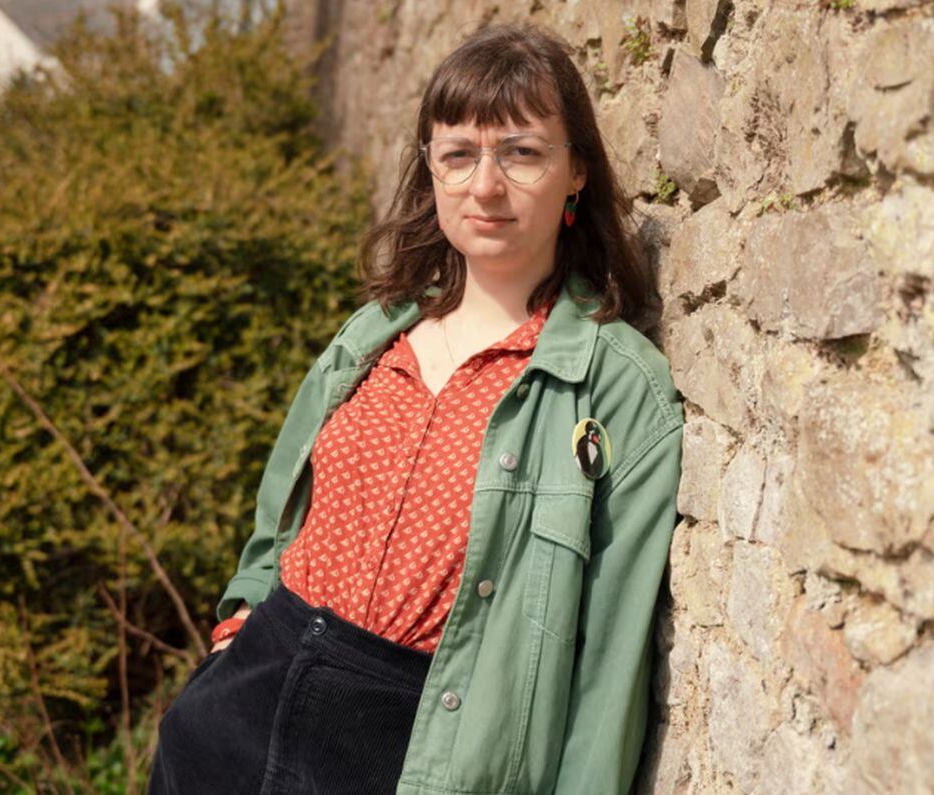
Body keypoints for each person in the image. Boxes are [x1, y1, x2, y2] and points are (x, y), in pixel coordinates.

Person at [149, 19, 684, 795]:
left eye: (522, 152)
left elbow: (605, 675)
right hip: (244, 701)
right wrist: (236, 634)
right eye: (459, 154)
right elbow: (279, 518)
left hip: (411, 739)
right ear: (430, 168)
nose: (485, 185)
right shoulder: (370, 338)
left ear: (576, 172)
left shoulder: (616, 392)